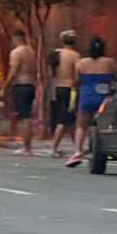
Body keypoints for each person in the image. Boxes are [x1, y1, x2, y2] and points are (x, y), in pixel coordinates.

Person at [66, 36, 117, 168]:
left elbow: (76, 81)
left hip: (86, 97)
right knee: (105, 125)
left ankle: (78, 151)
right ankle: (106, 148)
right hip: (104, 98)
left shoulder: (81, 63)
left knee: (81, 126)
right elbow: (116, 78)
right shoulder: (109, 62)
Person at [0, 29, 37, 156]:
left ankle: (27, 148)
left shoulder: (16, 52)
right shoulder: (31, 52)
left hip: (21, 86)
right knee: (27, 116)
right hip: (31, 85)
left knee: (23, 117)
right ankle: (28, 146)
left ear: (15, 38)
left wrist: (5, 86)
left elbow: (14, 71)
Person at [49, 30, 81, 158]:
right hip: (70, 89)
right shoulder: (75, 55)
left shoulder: (57, 54)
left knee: (70, 119)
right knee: (64, 118)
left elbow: (51, 72)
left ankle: (78, 147)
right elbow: (77, 75)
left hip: (58, 88)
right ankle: (54, 147)